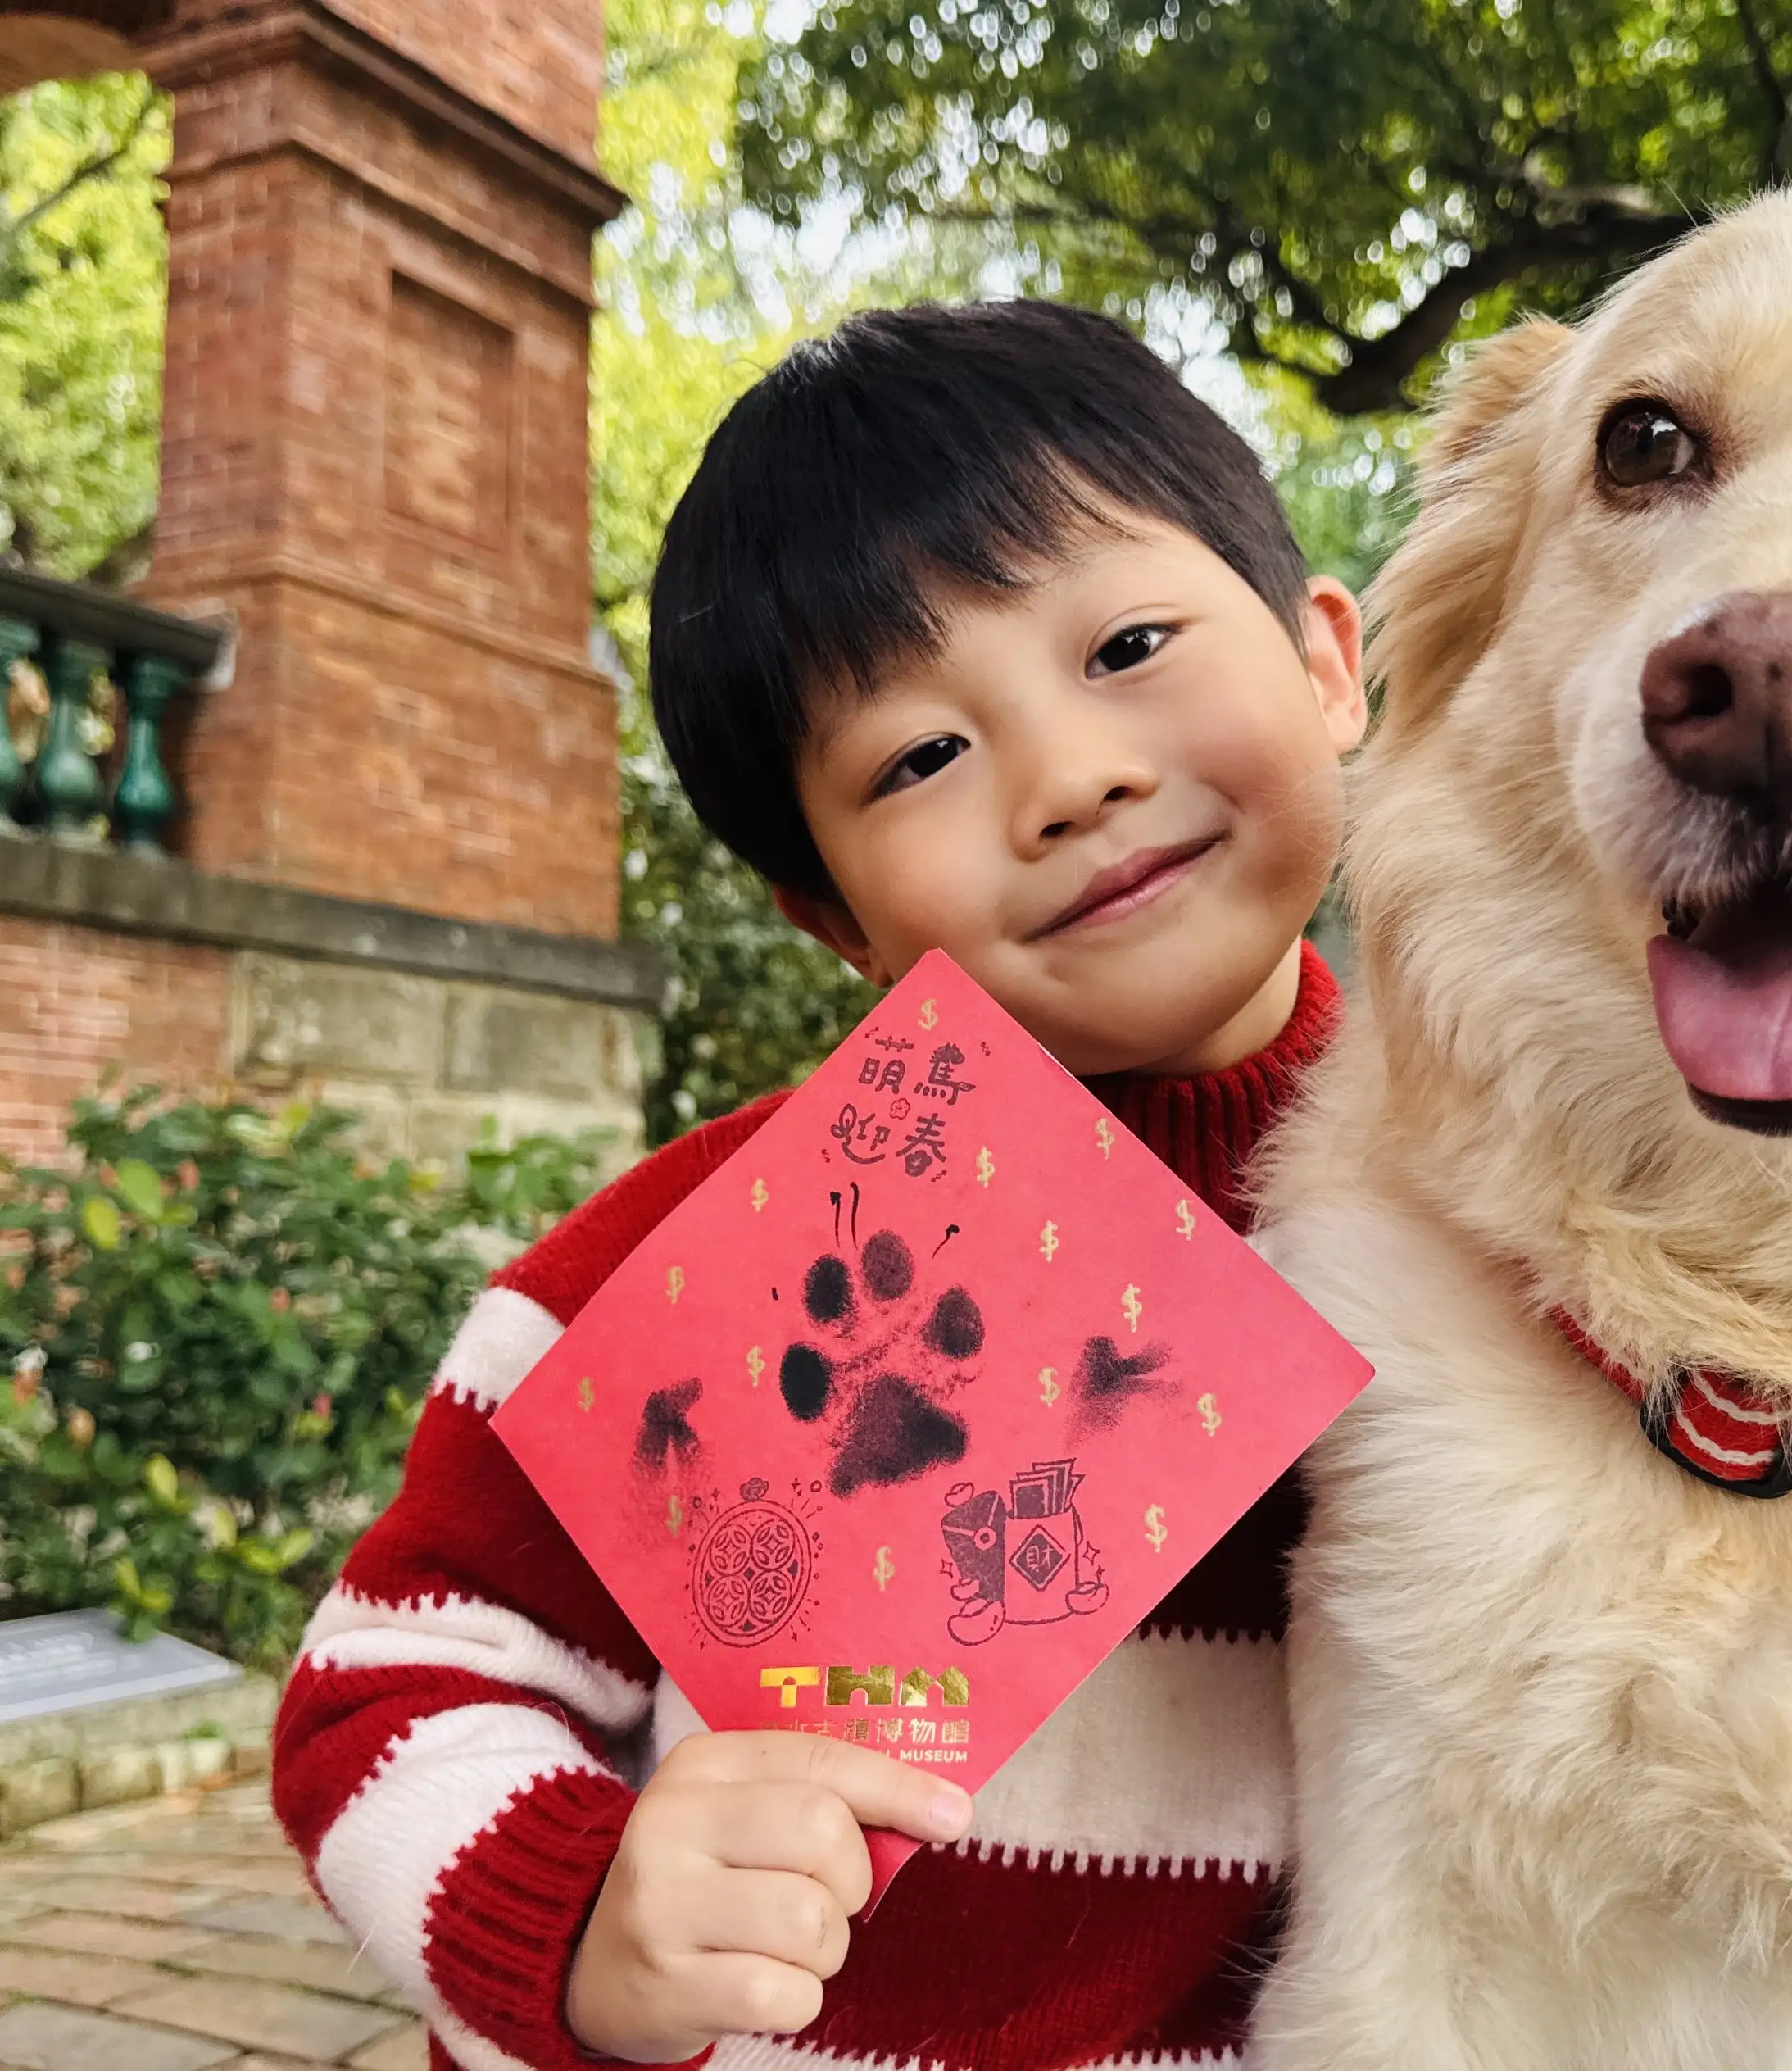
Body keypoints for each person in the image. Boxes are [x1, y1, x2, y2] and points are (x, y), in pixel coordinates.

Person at [270, 300, 1368, 2071]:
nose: (1071, 779)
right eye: (918, 757)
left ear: (1328, 658)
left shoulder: (1521, 1216)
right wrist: (581, 1913)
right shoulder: (688, 1266)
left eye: (1130, 643)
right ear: (833, 920)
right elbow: (390, 1685)